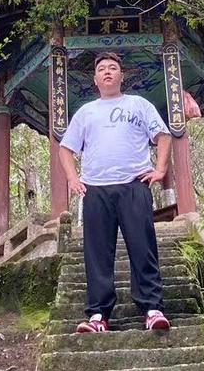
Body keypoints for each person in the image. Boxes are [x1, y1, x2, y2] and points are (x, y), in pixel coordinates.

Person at [58, 50, 172, 333]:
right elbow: (65, 148)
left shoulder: (139, 105)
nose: (107, 72)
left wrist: (159, 170)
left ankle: (152, 309)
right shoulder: (86, 112)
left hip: (135, 186)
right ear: (95, 80)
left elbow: (163, 135)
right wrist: (73, 178)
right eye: (101, 69)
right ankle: (98, 316)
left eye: (112, 68)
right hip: (96, 190)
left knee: (142, 247)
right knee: (97, 253)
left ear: (122, 76)